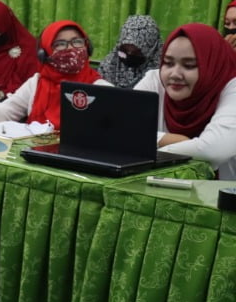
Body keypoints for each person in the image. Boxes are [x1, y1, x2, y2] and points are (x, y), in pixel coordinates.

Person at [134, 23, 236, 179]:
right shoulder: (155, 80)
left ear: (212, 65)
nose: (175, 74)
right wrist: (166, 139)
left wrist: (151, 149)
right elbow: (120, 128)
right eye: (168, 63)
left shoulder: (231, 87)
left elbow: (212, 150)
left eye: (189, 66)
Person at [0, 20, 106, 130]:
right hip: (35, 147)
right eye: (60, 44)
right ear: (44, 54)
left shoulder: (101, 88)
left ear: (87, 47)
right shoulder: (36, 82)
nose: (70, 48)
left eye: (77, 42)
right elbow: (5, 111)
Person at [100, 14, 162, 89]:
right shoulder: (109, 64)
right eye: (125, 50)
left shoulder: (161, 73)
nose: (129, 55)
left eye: (136, 52)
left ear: (151, 49)